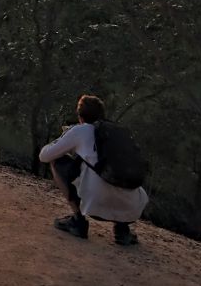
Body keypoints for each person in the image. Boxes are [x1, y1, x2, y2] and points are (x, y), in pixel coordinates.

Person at [39, 94, 149, 245]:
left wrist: (65, 137)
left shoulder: (81, 130)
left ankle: (78, 221)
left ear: (80, 116)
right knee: (111, 170)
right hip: (132, 208)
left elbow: (44, 156)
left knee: (56, 161)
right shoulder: (118, 133)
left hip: (96, 204)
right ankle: (122, 231)